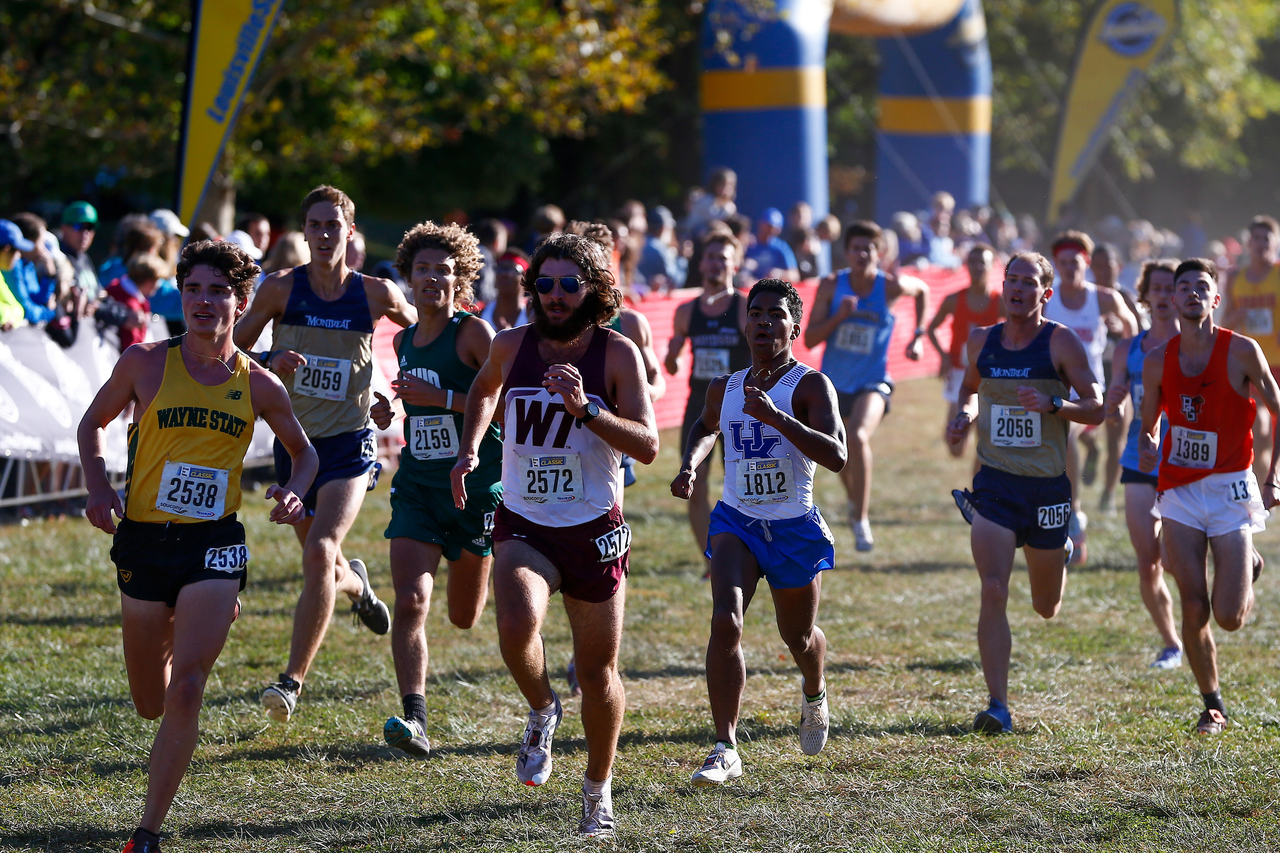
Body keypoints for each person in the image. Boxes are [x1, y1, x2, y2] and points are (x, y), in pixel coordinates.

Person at [77, 239, 317, 853]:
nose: (204, 301)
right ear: (180, 295)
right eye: (194, 289)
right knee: (150, 701)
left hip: (214, 542)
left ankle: (147, 833)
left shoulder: (258, 383)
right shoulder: (146, 362)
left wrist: (294, 491)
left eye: (218, 291)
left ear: (240, 303)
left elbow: (304, 451)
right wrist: (99, 485)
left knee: (188, 687)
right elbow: (92, 424)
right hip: (143, 541)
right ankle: (181, 620)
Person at [451, 233, 658, 836]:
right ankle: (543, 709)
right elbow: (481, 392)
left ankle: (598, 789)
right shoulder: (510, 345)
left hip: (595, 527)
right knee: (515, 624)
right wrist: (468, 452)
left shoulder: (617, 353)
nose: (557, 295)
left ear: (592, 289)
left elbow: (646, 445)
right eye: (545, 284)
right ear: (531, 289)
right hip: (524, 521)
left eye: (570, 284)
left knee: (597, 673)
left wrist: (587, 409)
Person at [232, 184, 417, 722]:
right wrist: (270, 355)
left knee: (318, 550)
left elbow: (425, 333)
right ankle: (358, 588)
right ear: (304, 232)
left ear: (349, 231)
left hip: (349, 445)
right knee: (323, 560)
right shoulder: (280, 289)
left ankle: (290, 683)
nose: (323, 234)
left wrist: (396, 392)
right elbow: (233, 348)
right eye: (314, 225)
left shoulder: (375, 293)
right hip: (295, 446)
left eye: (333, 225)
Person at [671, 278, 845, 785]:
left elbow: (836, 455)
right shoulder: (723, 387)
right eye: (755, 313)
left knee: (798, 636)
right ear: (744, 324)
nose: (764, 321)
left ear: (795, 325)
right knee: (725, 622)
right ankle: (725, 746)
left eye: (775, 314)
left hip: (793, 525)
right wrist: (690, 465)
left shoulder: (810, 386)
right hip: (736, 521)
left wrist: (777, 417)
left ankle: (814, 692)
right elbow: (706, 428)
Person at [947, 252, 1104, 733]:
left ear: (1045, 293)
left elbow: (1096, 408)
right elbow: (969, 389)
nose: (1017, 288)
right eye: (1011, 280)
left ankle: (1061, 549)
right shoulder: (982, 341)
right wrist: (967, 415)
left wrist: (1055, 404)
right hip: (994, 484)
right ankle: (998, 705)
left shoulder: (1061, 343)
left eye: (1028, 282)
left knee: (1045, 606)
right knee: (993, 590)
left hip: (1047, 490)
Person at [368, 221, 501, 758]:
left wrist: (443, 396)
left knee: (464, 616)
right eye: (421, 269)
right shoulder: (401, 339)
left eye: (443, 270)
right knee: (410, 601)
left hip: (475, 489)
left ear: (460, 279)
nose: (431, 279)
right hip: (419, 486)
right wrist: (389, 408)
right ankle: (416, 717)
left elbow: (503, 403)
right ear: (408, 277)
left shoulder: (474, 335)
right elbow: (414, 400)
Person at [1138, 257, 1280, 736]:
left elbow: (1278, 409)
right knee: (1193, 604)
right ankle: (1212, 704)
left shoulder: (1241, 351)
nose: (1193, 294)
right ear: (1172, 299)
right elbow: (1149, 420)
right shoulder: (1158, 359)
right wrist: (1148, 440)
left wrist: (1274, 477)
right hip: (1178, 490)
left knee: (1229, 617)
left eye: (1203, 287)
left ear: (1215, 299)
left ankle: (1248, 563)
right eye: (1185, 288)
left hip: (1231, 489)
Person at [803, 220, 929, 551]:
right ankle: (853, 499)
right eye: (856, 248)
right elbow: (811, 337)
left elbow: (924, 291)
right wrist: (839, 317)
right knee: (839, 454)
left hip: (873, 381)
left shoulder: (890, 286)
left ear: (880, 252)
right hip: (832, 385)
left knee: (858, 435)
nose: (862, 254)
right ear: (846, 252)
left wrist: (918, 336)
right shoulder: (831, 286)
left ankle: (860, 520)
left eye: (869, 248)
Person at [1104, 259, 1183, 669]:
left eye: (1172, 288)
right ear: (1145, 295)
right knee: (1147, 559)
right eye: (1157, 289)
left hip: (1183, 462)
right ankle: (1171, 643)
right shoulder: (1128, 348)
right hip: (1140, 458)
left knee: (1173, 559)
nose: (1165, 296)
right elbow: (1117, 402)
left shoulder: (1194, 345)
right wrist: (1113, 406)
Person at [1043, 230, 1137, 565]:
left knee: (1101, 438)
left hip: (1093, 391)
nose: (1070, 269)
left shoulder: (1104, 298)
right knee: (1058, 445)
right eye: (1064, 263)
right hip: (1054, 391)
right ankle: (1067, 515)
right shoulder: (1047, 299)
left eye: (1076, 263)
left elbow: (1133, 331)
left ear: (1087, 264)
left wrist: (1124, 374)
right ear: (1056, 265)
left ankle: (1089, 505)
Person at [665, 229, 750, 568]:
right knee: (693, 483)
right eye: (711, 257)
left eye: (723, 258)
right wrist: (671, 356)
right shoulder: (687, 311)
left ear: (735, 264)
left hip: (740, 407)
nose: (716, 263)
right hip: (699, 407)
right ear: (702, 263)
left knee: (741, 485)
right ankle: (711, 561)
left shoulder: (745, 307)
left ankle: (745, 554)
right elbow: (672, 362)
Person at [926, 244, 1004, 458]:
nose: (978, 267)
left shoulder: (1000, 302)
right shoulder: (953, 300)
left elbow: (1021, 330)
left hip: (989, 375)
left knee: (987, 441)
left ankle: (979, 487)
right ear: (966, 266)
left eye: (983, 263)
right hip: (960, 373)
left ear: (991, 267)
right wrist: (943, 357)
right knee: (955, 447)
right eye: (973, 262)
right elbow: (931, 328)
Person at [1221, 215, 1280, 483]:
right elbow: (1224, 322)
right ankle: (1264, 484)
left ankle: (1272, 479)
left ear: (1275, 242)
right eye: (1255, 239)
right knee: (1260, 431)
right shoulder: (1236, 278)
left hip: (1278, 362)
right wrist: (1238, 316)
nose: (1260, 244)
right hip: (1250, 364)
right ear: (1247, 243)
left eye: (1265, 239)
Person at [1090, 242, 1139, 513]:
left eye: (1107, 266)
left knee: (1115, 436)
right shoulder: (1083, 297)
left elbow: (1143, 337)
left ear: (1118, 267)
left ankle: (1108, 494)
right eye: (1096, 266)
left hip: (1119, 375)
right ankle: (1089, 450)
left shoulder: (1126, 298)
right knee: (1077, 432)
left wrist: (1122, 328)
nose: (1102, 272)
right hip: (1086, 374)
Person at [104, 254, 169, 352]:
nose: (158, 286)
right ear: (149, 282)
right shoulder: (132, 307)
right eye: (157, 281)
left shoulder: (117, 287)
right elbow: (131, 349)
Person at [59, 200, 101, 299]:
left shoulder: (84, 257)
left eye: (90, 227)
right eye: (78, 226)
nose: (85, 233)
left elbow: (100, 294)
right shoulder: (59, 258)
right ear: (64, 228)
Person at [744, 208, 799, 281]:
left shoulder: (781, 247)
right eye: (768, 226)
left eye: (776, 228)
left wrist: (780, 274)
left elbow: (795, 275)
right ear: (761, 224)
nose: (772, 230)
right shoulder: (748, 244)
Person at [480, 249, 530, 330]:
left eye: (512, 269)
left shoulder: (532, 317)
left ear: (525, 277)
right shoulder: (479, 314)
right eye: (500, 268)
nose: (504, 274)